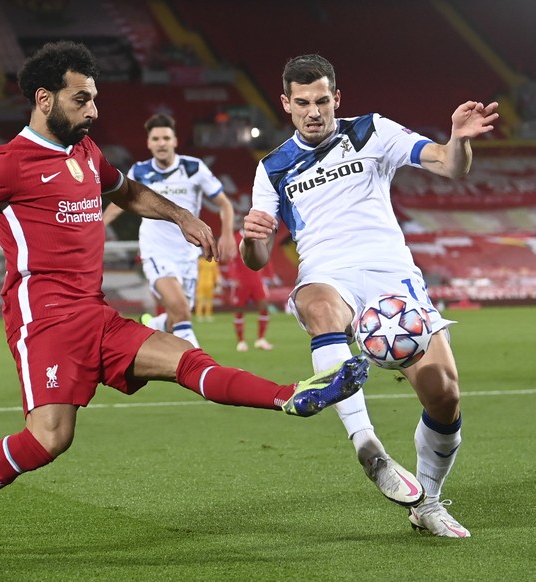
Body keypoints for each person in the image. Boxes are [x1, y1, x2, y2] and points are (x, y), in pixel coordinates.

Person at [0, 42, 369, 562]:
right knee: (50, 439)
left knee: (188, 360)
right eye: (81, 99)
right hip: (45, 322)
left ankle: (291, 394)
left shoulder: (86, 152)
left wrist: (183, 217)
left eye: (94, 98)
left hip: (96, 314)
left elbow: (127, 192)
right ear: (44, 98)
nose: (94, 110)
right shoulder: (5, 164)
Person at [241, 54, 499, 538]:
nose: (313, 111)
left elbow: (449, 166)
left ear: (336, 98)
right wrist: (251, 237)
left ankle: (428, 503)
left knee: (445, 397)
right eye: (302, 103)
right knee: (318, 305)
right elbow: (256, 256)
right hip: (326, 271)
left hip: (393, 277)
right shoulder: (272, 167)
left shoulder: (371, 131)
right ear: (285, 104)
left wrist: (458, 141)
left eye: (322, 101)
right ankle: (367, 443)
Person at [102, 113, 236, 348]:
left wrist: (226, 234)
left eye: (166, 138)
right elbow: (120, 203)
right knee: (182, 311)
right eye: (156, 139)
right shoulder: (140, 172)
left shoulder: (194, 168)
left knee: (178, 316)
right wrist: (97, 227)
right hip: (156, 251)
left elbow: (224, 203)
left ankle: (151, 327)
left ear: (174, 141)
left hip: (187, 255)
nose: (161, 143)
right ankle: (203, 368)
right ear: (149, 143)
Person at [226, 226, 275, 352]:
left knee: (264, 307)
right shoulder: (236, 238)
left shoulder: (258, 238)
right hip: (241, 281)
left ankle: (261, 339)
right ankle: (241, 342)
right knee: (239, 309)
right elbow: (231, 260)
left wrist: (270, 275)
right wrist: (233, 277)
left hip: (257, 280)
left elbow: (265, 257)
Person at [195, 254, 220, 321]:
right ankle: (199, 314)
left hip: (209, 283)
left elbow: (216, 273)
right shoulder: (200, 261)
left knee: (209, 300)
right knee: (200, 299)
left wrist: (217, 283)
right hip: (201, 283)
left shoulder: (213, 262)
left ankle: (208, 314)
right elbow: (196, 272)